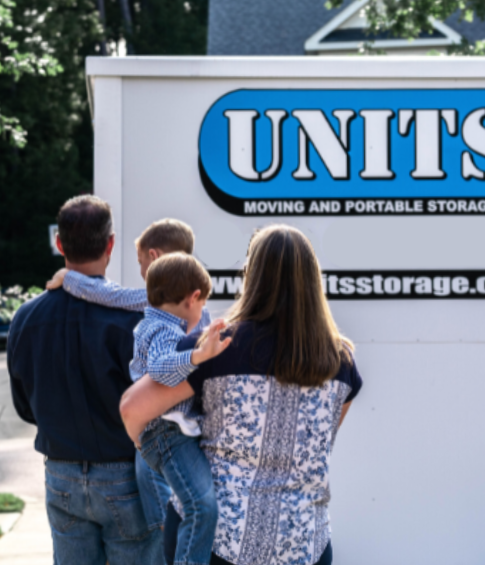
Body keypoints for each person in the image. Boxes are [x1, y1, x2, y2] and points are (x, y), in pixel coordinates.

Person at [120, 224, 363, 565]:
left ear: (251, 276)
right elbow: (324, 442)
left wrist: (148, 447)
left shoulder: (216, 346)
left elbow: (133, 409)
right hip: (304, 543)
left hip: (216, 542)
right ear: (313, 280)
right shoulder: (341, 362)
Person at [7, 195, 161, 565]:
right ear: (110, 244)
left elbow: (24, 405)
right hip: (125, 474)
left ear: (59, 244)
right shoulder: (134, 320)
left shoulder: (25, 318)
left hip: (60, 473)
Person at [46, 217, 212, 531]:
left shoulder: (155, 300)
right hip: (191, 424)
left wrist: (68, 276)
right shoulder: (199, 304)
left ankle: (160, 529)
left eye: (140, 263)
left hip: (158, 422)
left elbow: (112, 296)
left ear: (154, 257)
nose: (140, 272)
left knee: (148, 470)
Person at [131, 252, 231, 565]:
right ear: (194, 297)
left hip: (169, 433)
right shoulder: (162, 330)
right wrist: (199, 356)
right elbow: (161, 369)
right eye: (202, 305)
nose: (202, 312)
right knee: (202, 507)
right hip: (166, 432)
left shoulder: (157, 323)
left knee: (194, 505)